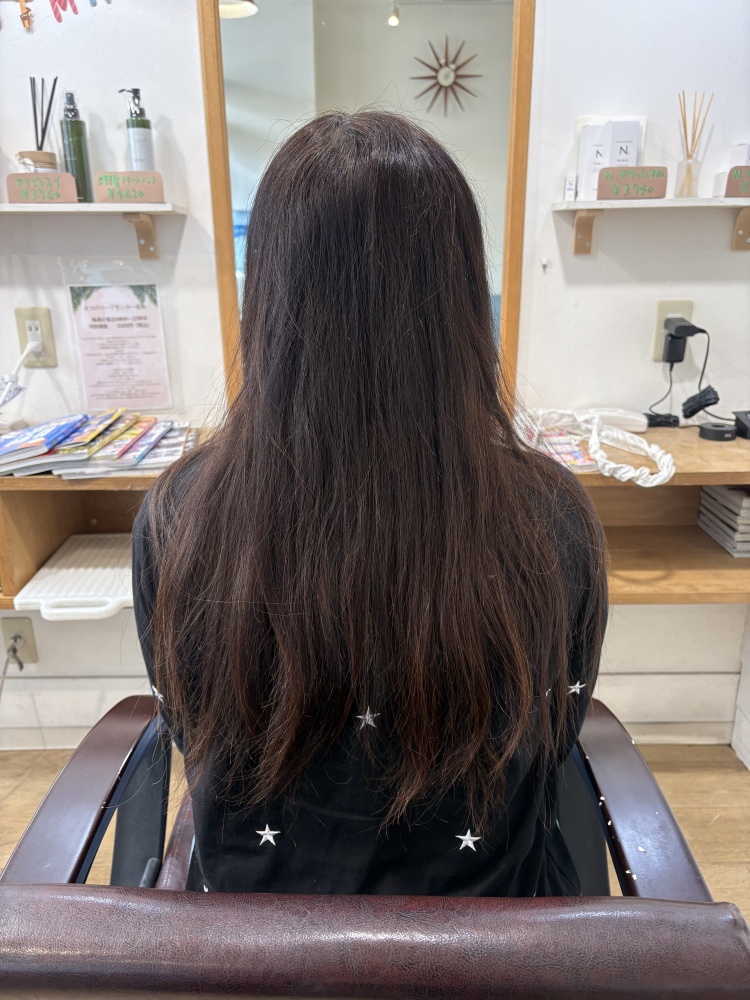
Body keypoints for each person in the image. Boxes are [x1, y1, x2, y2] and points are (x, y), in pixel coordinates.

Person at [132, 110, 608, 897]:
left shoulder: (179, 515)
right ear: (462, 299)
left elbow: (191, 734)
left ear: (267, 294)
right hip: (500, 941)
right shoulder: (553, 519)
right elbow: (554, 738)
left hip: (250, 942)